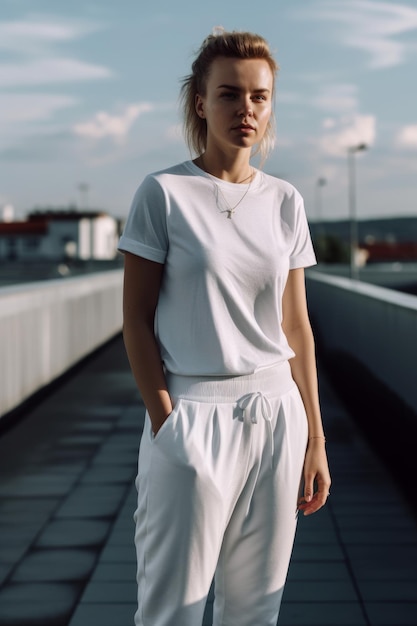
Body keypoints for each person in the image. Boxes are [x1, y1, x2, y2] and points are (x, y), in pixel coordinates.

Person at [119, 28, 331, 626]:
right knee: (170, 612)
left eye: (259, 97)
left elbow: (296, 325)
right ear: (200, 101)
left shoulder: (286, 201)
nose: (246, 109)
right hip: (193, 416)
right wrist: (166, 423)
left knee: (254, 612)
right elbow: (135, 320)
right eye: (230, 94)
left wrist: (314, 438)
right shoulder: (163, 194)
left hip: (277, 415)